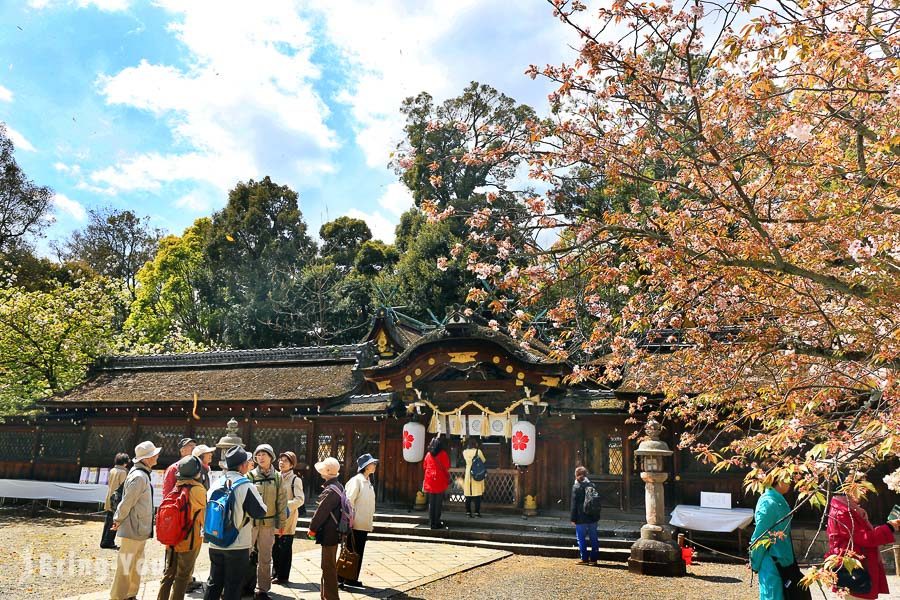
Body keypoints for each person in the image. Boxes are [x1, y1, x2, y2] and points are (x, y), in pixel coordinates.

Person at [204, 445, 267, 600]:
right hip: (237, 544)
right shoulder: (245, 485)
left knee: (214, 583)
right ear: (242, 465)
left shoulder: (216, 483)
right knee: (233, 585)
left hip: (215, 540)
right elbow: (259, 512)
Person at [826, 481, 900, 599]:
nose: (864, 491)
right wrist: (889, 527)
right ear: (848, 488)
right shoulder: (842, 512)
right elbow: (865, 538)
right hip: (855, 571)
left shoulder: (847, 508)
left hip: (857, 566)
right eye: (861, 487)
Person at [109, 440, 161, 600]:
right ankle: (118, 597)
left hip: (139, 526)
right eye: (153, 455)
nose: (157, 456)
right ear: (146, 459)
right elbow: (127, 501)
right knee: (126, 565)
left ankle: (130, 594)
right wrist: (117, 519)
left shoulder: (141, 474)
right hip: (134, 526)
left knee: (136, 563)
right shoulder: (139, 476)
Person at [157, 455, 206, 600]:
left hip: (171, 539)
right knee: (182, 576)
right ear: (197, 472)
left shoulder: (176, 487)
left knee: (168, 575)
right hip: (188, 540)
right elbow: (203, 517)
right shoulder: (198, 490)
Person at [247, 443, 286, 600]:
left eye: (264, 454)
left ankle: (263, 589)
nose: (260, 457)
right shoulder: (249, 476)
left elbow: (282, 502)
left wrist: (281, 523)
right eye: (258, 455)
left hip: (268, 524)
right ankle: (241, 586)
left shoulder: (277, 477)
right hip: (250, 524)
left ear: (271, 457)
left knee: (265, 557)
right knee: (244, 555)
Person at [749, 477, 796, 600]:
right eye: (786, 478)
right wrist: (755, 560)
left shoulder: (777, 499)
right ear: (775, 480)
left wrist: (754, 562)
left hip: (782, 558)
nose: (790, 481)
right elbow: (761, 535)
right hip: (771, 558)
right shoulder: (768, 502)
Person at [307, 457, 344, 600]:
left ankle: (331, 597)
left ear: (327, 472)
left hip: (329, 532)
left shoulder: (330, 490)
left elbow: (321, 512)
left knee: (328, 566)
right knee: (328, 565)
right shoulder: (339, 486)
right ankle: (325, 595)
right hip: (335, 530)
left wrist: (312, 528)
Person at [340, 453, 379, 588]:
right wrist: (349, 520)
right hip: (355, 523)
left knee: (357, 552)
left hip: (363, 523)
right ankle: (345, 577)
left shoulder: (368, 482)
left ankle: (350, 577)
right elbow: (348, 501)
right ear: (366, 467)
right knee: (351, 552)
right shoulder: (356, 481)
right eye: (372, 463)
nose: (374, 465)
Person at [272, 450, 305, 584]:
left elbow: (300, 499)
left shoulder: (295, 480)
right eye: (280, 460)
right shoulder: (274, 477)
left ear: (292, 464)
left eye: (285, 461)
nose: (282, 463)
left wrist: (285, 506)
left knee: (285, 547)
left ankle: (283, 576)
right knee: (274, 547)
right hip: (274, 516)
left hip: (288, 517)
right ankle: (274, 573)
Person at [570, 466, 600, 565]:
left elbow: (574, 505)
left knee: (581, 538)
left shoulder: (576, 487)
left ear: (576, 475)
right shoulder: (592, 485)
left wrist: (573, 518)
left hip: (580, 517)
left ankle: (584, 558)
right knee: (594, 538)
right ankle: (594, 559)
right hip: (592, 516)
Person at [100, 452, 129, 550]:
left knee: (108, 521)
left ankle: (104, 541)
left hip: (109, 497)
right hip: (116, 500)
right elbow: (124, 487)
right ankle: (108, 542)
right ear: (125, 462)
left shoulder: (112, 470)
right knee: (114, 521)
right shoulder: (123, 472)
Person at [423, 437, 450, 529]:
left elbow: (425, 466)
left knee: (431, 502)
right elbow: (447, 466)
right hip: (439, 480)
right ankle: (436, 522)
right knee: (438, 503)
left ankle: (431, 522)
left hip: (430, 480)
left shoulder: (428, 455)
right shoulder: (443, 454)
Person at [462, 438, 486, 518]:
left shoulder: (465, 452)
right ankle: (477, 513)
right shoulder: (478, 452)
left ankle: (468, 512)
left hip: (468, 473)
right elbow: (483, 460)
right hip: (476, 472)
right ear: (475, 444)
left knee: (468, 494)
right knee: (477, 495)